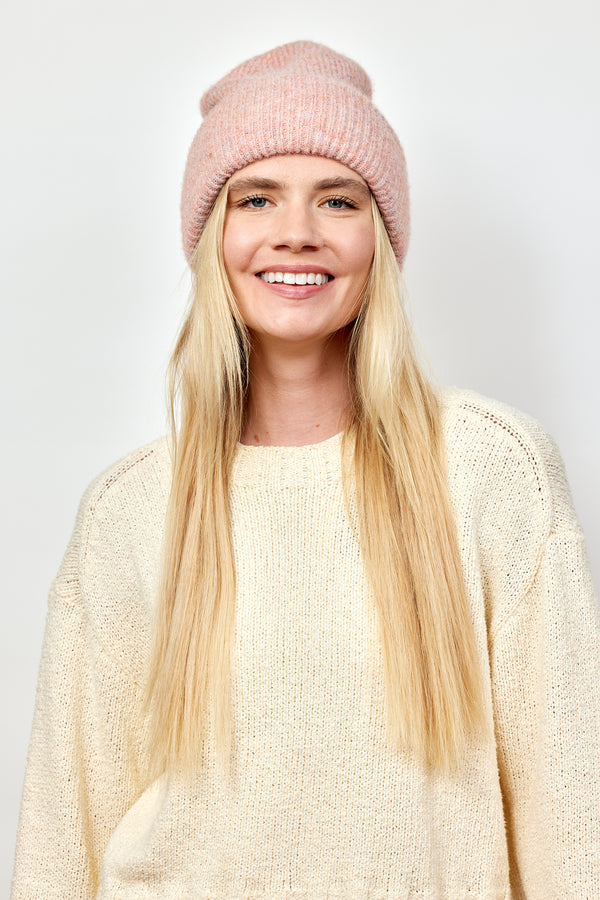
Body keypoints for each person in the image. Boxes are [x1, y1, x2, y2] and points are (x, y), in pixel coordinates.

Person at [11, 40, 600, 899]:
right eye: (256, 198)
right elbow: (61, 842)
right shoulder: (130, 511)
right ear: (215, 237)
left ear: (380, 240)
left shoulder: (489, 470)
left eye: (338, 199)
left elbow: (570, 819)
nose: (298, 231)